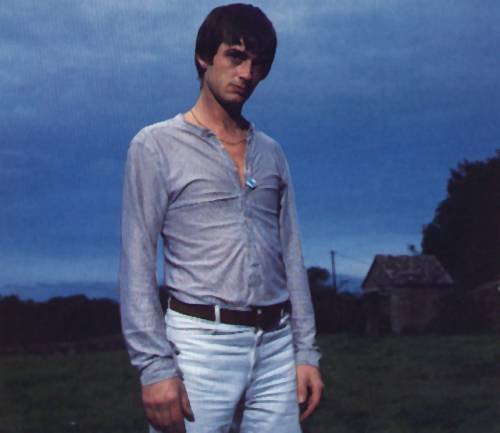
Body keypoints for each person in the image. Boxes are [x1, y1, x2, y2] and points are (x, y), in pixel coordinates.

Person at [119, 4, 323, 433]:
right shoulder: (155, 145)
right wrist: (154, 368)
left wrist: (305, 352)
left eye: (259, 64)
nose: (247, 73)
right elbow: (136, 261)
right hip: (198, 347)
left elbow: (291, 254)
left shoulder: (271, 152)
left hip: (276, 346)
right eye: (235, 56)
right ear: (203, 57)